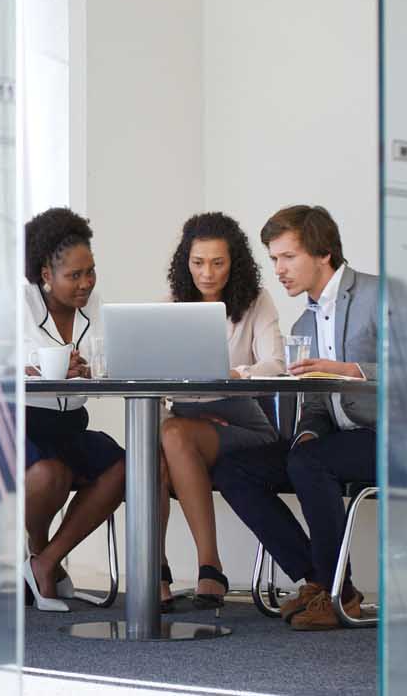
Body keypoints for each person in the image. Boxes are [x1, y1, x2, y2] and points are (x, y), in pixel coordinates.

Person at [0, 207, 155, 612]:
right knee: (50, 474)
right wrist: (31, 368)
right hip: (18, 422)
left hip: (70, 424)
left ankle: (44, 563)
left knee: (134, 466)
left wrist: (95, 368)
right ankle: (39, 555)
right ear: (45, 275)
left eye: (90, 272)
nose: (85, 283)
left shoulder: (97, 307)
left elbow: (114, 358)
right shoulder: (12, 305)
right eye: (74, 275)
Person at [211, 204, 381, 630]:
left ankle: (336, 591)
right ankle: (320, 582)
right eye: (273, 260)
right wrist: (307, 431)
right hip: (340, 442)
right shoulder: (305, 321)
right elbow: (320, 404)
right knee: (234, 469)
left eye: (288, 257)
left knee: (311, 460)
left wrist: (351, 370)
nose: (279, 270)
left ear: (323, 254)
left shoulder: (380, 295)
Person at [158, 212, 284, 610]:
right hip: (185, 422)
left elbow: (276, 364)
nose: (207, 273)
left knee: (172, 436)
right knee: (159, 453)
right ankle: (157, 568)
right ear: (186, 262)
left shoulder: (255, 301)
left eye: (218, 262)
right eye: (198, 263)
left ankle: (209, 564)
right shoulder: (172, 306)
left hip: (242, 421)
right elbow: (157, 378)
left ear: (235, 262)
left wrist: (233, 375)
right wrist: (186, 414)